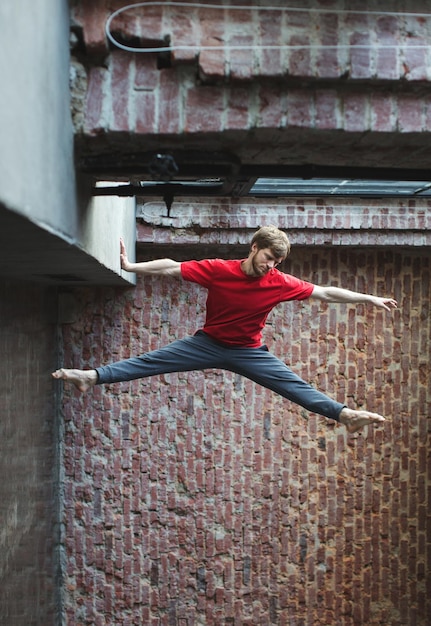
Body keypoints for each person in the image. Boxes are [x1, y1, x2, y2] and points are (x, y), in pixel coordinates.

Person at [52, 226, 398, 434]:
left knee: (293, 385)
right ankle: (91, 377)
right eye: (268, 258)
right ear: (254, 248)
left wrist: (368, 299)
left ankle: (345, 415)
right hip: (208, 344)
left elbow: (324, 292)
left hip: (248, 351)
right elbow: (173, 268)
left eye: (277, 262)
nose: (270, 266)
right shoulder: (220, 270)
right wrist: (130, 266)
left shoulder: (278, 282)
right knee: (151, 361)